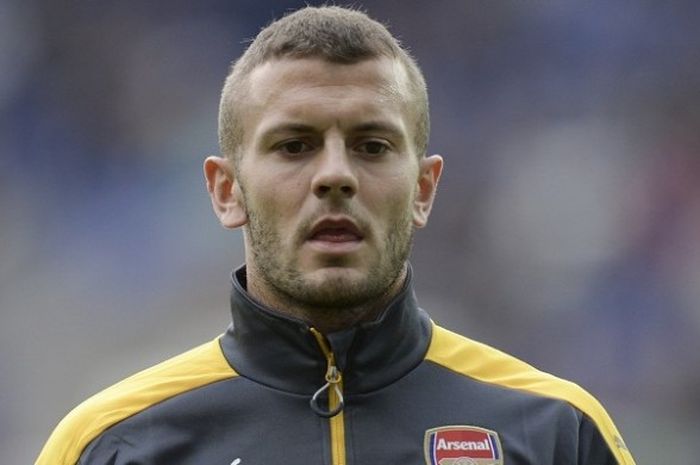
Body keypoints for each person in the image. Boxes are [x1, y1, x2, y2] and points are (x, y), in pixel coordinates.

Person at [36, 6, 636, 465]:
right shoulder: (112, 444)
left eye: (372, 146)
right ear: (227, 190)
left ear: (424, 189)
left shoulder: (557, 431)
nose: (335, 176)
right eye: (293, 146)